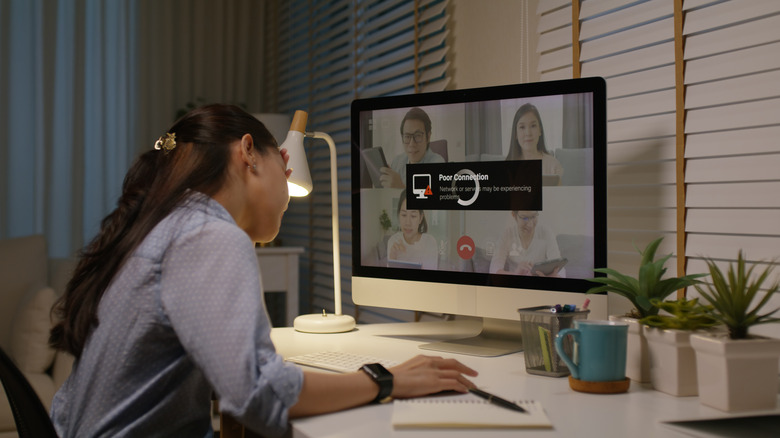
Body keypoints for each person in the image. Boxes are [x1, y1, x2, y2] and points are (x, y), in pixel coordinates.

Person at [48, 104, 477, 438]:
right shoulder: (207, 235)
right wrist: (383, 379)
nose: (288, 184)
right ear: (248, 152)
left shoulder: (169, 225)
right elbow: (261, 395)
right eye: (284, 166)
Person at [380, 107, 444, 188]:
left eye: (417, 136)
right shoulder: (397, 161)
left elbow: (431, 199)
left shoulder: (438, 163)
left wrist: (401, 187)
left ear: (428, 137)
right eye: (407, 136)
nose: (412, 144)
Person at [489, 210, 565, 277]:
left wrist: (555, 277)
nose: (530, 225)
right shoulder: (507, 235)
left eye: (534, 216)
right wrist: (516, 274)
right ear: (514, 215)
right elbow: (494, 270)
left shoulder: (545, 233)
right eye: (525, 218)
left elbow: (559, 266)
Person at [505, 103, 563, 179]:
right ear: (515, 134)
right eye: (522, 127)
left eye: (533, 126)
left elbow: (559, 191)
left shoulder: (553, 165)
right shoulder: (507, 166)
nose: (528, 133)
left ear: (540, 130)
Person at [387, 191, 438, 269]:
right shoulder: (393, 241)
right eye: (404, 215)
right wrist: (393, 258)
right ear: (399, 216)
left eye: (413, 216)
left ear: (420, 218)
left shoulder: (430, 242)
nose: (408, 223)